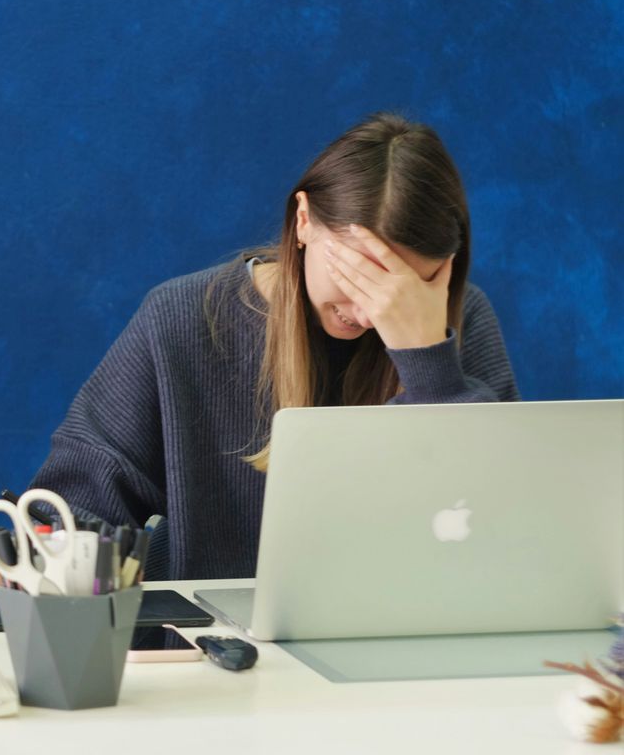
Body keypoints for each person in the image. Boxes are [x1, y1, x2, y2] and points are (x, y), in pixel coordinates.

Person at [28, 113, 519, 581]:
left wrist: (428, 361)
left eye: (406, 289)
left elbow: (509, 532)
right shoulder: (182, 318)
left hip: (416, 632)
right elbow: (65, 515)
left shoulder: (459, 320)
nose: (371, 315)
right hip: (217, 636)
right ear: (304, 221)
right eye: (357, 276)